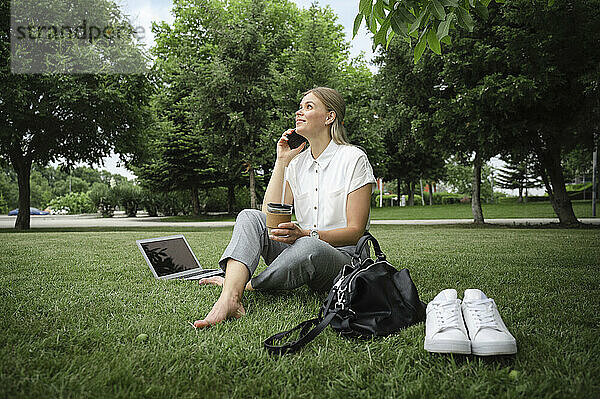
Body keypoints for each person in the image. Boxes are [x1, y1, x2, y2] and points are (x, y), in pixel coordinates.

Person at [193, 87, 376, 328]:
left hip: (344, 258)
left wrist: (306, 234)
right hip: (302, 247)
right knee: (249, 216)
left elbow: (355, 231)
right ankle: (230, 297)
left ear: (329, 117)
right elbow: (270, 217)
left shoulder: (353, 159)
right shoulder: (297, 163)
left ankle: (246, 283)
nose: (299, 112)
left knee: (309, 244)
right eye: (300, 107)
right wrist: (281, 161)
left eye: (309, 107)